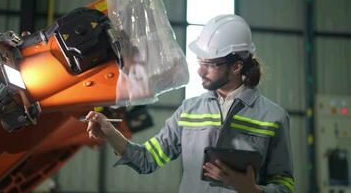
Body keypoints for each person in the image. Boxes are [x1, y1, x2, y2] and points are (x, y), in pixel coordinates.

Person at [85, 14, 295, 193]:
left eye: (209, 64)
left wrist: (254, 190)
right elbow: (147, 159)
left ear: (236, 66)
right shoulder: (189, 111)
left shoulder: (273, 117)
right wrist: (110, 133)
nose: (200, 71)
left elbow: (285, 185)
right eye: (199, 62)